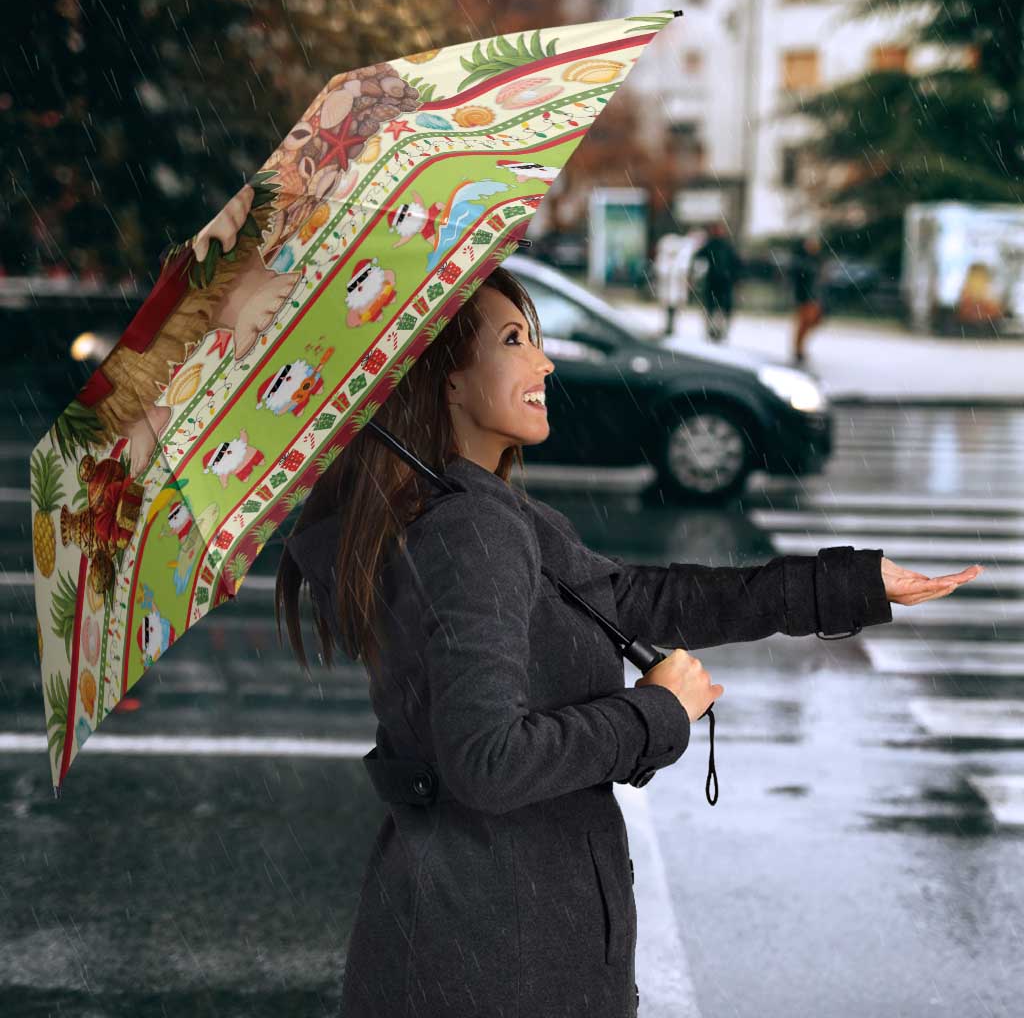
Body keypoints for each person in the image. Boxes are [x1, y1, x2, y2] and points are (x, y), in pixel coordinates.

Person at [275, 265, 976, 1018]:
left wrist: (850, 585)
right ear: (446, 379)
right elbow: (487, 762)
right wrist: (656, 713)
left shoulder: (477, 511)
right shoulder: (469, 531)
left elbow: (639, 599)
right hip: (499, 957)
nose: (544, 362)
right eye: (514, 340)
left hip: (483, 934)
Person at [692, 220, 742, 343]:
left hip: (723, 282)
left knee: (720, 309)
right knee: (713, 308)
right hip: (715, 282)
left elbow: (736, 264)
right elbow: (698, 258)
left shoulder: (725, 246)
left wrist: (735, 278)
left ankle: (719, 331)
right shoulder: (712, 245)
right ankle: (713, 331)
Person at [790, 234, 826, 364]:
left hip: (814, 297)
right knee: (804, 323)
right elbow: (799, 280)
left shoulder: (816, 260)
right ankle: (798, 349)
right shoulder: (802, 261)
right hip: (805, 297)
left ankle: (799, 348)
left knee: (812, 322)